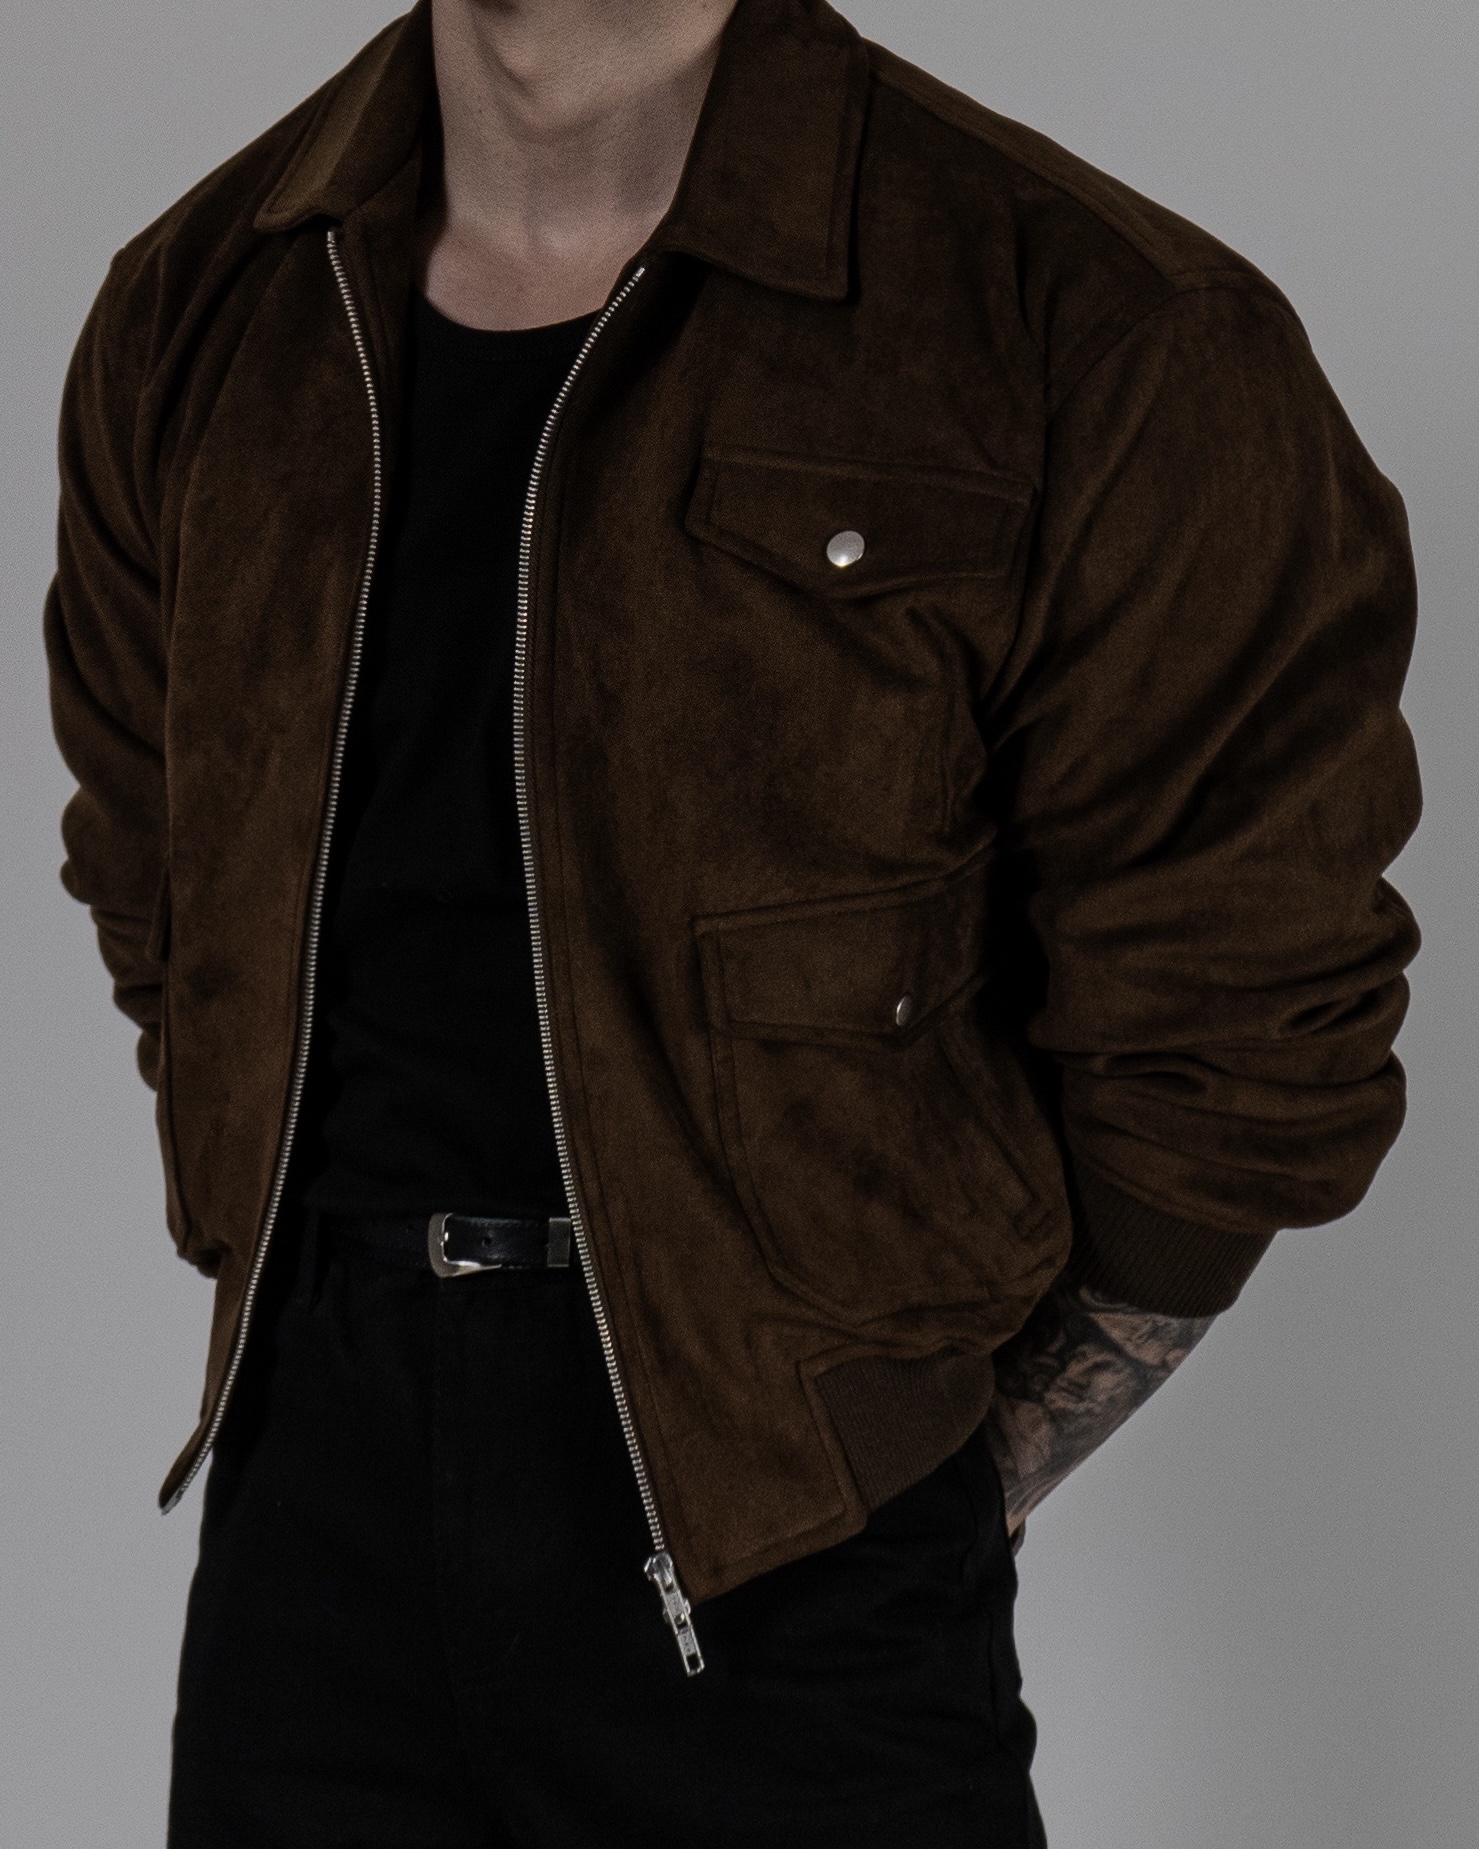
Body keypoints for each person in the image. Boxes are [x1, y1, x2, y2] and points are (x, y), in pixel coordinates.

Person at [44, 0, 1420, 1842]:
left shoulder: (1096, 330)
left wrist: (905, 1455)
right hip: (307, 1543)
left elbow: (1245, 1021)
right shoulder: (205, 308)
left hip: (802, 1579)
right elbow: (162, 885)